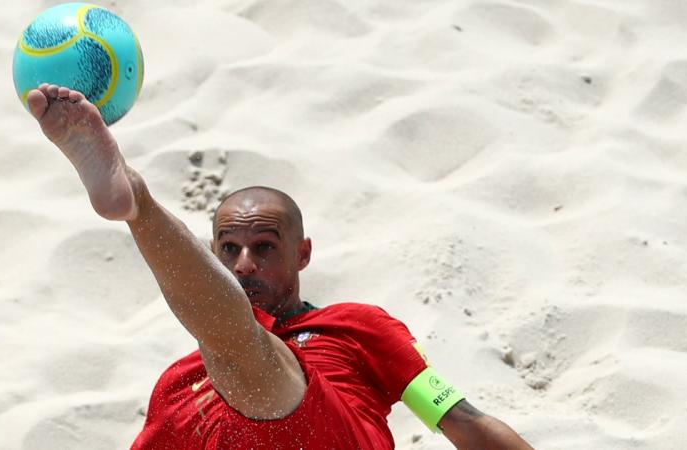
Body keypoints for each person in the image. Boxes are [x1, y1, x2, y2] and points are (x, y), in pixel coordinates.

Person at [27, 83, 535, 450]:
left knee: (243, 350)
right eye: (229, 250)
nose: (245, 264)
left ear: (303, 254)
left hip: (332, 434)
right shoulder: (183, 380)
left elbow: (460, 420)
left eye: (264, 247)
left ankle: (135, 201)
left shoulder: (357, 326)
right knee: (203, 373)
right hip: (222, 384)